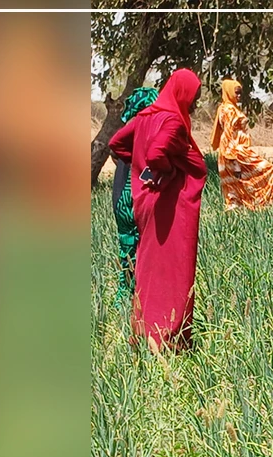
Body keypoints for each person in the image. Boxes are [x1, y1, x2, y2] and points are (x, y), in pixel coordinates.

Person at [108, 69, 207, 353]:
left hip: (145, 203)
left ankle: (145, 332)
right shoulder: (173, 120)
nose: (195, 105)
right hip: (169, 207)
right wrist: (165, 171)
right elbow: (156, 154)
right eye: (194, 99)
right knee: (174, 270)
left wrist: (138, 166)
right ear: (183, 95)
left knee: (149, 268)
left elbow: (117, 144)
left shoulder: (146, 116)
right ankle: (167, 336)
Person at [111, 86, 159, 308]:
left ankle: (124, 291)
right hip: (133, 196)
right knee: (141, 245)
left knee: (126, 245)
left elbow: (115, 152)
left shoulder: (127, 128)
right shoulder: (146, 129)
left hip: (120, 192)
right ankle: (138, 295)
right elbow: (150, 163)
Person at [210, 79, 273, 210]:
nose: (239, 96)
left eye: (240, 93)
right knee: (270, 169)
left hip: (232, 151)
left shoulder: (226, 108)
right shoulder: (229, 110)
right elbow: (229, 134)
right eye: (236, 93)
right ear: (229, 92)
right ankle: (260, 205)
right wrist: (234, 161)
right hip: (235, 152)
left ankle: (237, 215)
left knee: (234, 187)